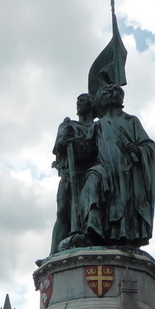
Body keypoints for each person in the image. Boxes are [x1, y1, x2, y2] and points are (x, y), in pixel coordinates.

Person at [72, 83, 155, 249]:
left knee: (124, 200)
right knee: (90, 187)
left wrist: (139, 150)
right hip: (103, 168)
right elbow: (87, 151)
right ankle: (93, 229)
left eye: (103, 96)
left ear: (113, 98)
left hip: (125, 169)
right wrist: (72, 143)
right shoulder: (98, 125)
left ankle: (123, 235)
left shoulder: (130, 121)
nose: (100, 100)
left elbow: (148, 146)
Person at [49, 93, 96, 255]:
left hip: (88, 175)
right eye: (77, 101)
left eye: (82, 101)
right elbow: (57, 148)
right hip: (69, 174)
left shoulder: (96, 127)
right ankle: (53, 253)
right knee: (62, 211)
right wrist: (64, 141)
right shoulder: (69, 125)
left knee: (86, 213)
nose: (78, 104)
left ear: (91, 105)